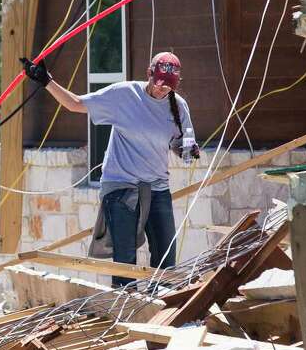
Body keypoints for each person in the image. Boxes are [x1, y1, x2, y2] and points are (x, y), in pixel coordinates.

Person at [22, 51, 200, 286]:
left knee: (166, 259)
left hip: (156, 187)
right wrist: (46, 81)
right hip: (121, 185)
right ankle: (127, 307)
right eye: (158, 83)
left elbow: (180, 144)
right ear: (149, 74)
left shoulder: (178, 106)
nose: (161, 89)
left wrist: (188, 151)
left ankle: (163, 309)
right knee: (125, 262)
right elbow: (75, 104)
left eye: (168, 87)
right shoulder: (123, 95)